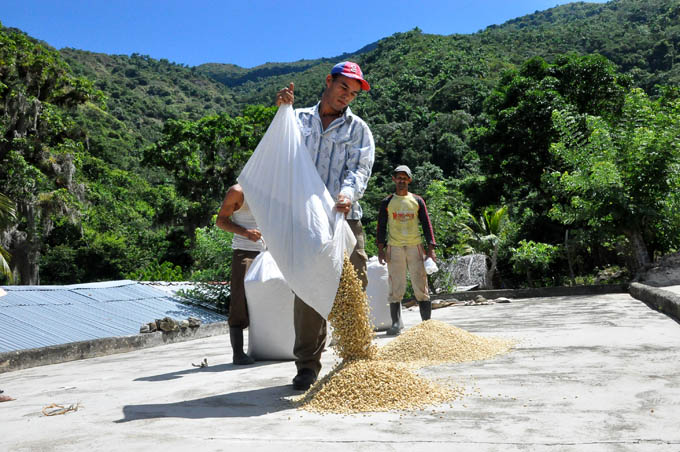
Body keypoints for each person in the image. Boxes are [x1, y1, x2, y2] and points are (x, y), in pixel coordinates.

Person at [276, 61, 375, 390]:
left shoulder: (358, 129)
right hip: (307, 224)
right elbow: (280, 156)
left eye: (353, 93)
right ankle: (307, 366)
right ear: (329, 81)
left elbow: (359, 169)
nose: (347, 96)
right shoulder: (298, 119)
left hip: (346, 219)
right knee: (307, 292)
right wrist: (281, 114)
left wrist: (347, 195)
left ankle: (355, 360)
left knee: (353, 284)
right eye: (343, 88)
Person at [376, 165, 437, 335]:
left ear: (409, 180)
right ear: (394, 179)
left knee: (420, 284)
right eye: (398, 177)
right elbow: (381, 226)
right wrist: (381, 249)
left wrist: (431, 249)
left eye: (405, 178)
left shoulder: (417, 200)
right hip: (394, 248)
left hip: (415, 246)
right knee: (396, 286)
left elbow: (427, 225)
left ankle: (426, 323)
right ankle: (396, 323)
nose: (401, 180)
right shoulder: (387, 202)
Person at [216, 183, 265, 365]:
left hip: (272, 253)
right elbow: (221, 221)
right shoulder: (237, 191)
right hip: (245, 252)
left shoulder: (276, 187)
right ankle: (238, 353)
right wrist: (245, 232)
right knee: (240, 299)